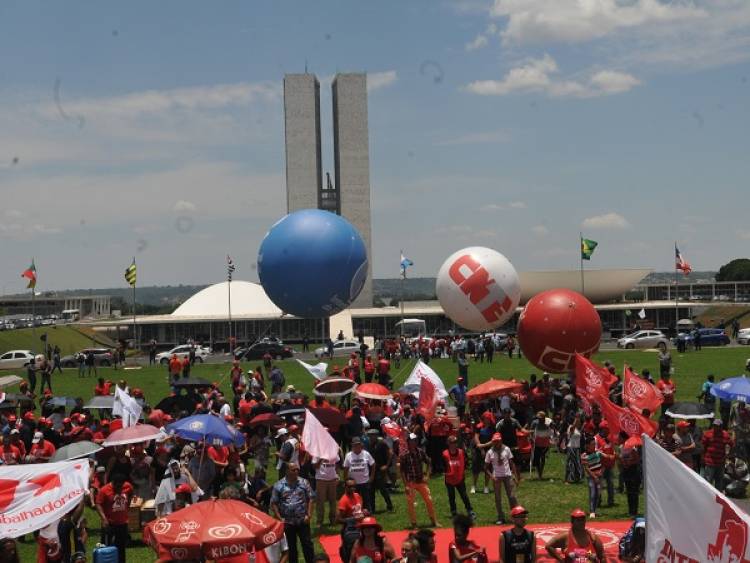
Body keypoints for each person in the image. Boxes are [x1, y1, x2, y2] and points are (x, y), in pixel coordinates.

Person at [270, 462, 315, 563]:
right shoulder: (279, 486)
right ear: (286, 471)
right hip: (288, 522)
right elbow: (273, 503)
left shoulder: (304, 482)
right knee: (291, 547)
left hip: (302, 520)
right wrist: (279, 518)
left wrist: (309, 515)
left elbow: (311, 498)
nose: (296, 471)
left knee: (307, 545)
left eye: (297, 469)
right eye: (293, 470)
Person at [399, 433, 439, 529]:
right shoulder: (404, 455)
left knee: (429, 500)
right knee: (410, 503)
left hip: (421, 481)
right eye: (411, 441)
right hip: (411, 482)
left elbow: (429, 462)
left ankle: (434, 521)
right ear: (408, 442)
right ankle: (414, 523)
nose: (413, 443)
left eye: (414, 441)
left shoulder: (421, 452)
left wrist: (427, 475)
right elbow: (402, 471)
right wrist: (406, 485)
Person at [95, 473, 133, 563]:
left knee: (121, 547)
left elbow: (131, 493)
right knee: (106, 547)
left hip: (122, 523)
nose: (120, 489)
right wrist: (104, 519)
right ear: (113, 483)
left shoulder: (127, 486)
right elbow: (98, 504)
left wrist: (128, 505)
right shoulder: (104, 490)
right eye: (118, 486)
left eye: (121, 486)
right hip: (109, 523)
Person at [485, 433, 520, 525]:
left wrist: (515, 476)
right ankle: (500, 517)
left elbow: (512, 463)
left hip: (507, 475)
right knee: (498, 498)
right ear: (493, 442)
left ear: (501, 441)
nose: (497, 443)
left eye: (498, 441)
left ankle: (515, 516)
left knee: (512, 497)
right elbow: (485, 467)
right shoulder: (490, 452)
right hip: (497, 476)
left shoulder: (507, 449)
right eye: (495, 441)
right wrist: (492, 477)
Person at [442, 436, 475, 520]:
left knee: (464, 495)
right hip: (449, 480)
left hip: (460, 478)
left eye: (455, 442)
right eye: (452, 443)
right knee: (451, 497)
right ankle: (454, 512)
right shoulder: (445, 454)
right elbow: (442, 466)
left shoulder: (461, 452)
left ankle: (470, 510)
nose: (454, 444)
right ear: (448, 443)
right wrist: (446, 473)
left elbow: (466, 462)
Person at [343, 437, 376, 514]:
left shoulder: (366, 454)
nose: (356, 447)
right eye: (354, 445)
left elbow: (373, 465)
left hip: (365, 482)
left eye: (358, 445)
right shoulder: (348, 455)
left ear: (361, 445)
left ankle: (368, 514)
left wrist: (371, 477)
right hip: (353, 484)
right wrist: (346, 481)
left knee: (366, 499)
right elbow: (345, 468)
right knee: (354, 500)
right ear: (352, 446)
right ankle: (356, 514)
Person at [702, 419, 733, 491]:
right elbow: (703, 446)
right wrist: (702, 457)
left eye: (717, 426)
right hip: (709, 461)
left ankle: (718, 497)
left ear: (721, 426)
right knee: (708, 480)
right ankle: (707, 494)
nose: (715, 427)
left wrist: (727, 455)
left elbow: (732, 444)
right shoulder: (708, 433)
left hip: (720, 462)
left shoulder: (725, 435)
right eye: (714, 425)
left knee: (719, 482)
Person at [313, 453, 340, 528]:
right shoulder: (317, 453)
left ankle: (333, 520)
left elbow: (337, 465)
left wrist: (337, 476)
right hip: (321, 480)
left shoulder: (333, 452)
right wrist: (321, 459)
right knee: (320, 502)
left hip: (332, 479)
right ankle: (319, 521)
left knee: (333, 501)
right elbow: (314, 466)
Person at [581, 437, 603, 519]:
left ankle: (595, 509)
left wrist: (601, 471)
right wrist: (594, 476)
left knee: (598, 494)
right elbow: (587, 468)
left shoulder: (597, 452)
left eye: (595, 444)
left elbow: (602, 462)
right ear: (587, 445)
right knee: (593, 493)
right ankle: (592, 511)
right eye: (592, 444)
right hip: (591, 477)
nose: (594, 445)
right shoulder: (584, 456)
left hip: (599, 476)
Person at [529, 411, 552, 480]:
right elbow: (531, 431)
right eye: (538, 418)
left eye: (541, 418)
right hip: (537, 442)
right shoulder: (534, 422)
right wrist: (531, 438)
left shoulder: (548, 422)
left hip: (545, 443)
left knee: (543, 457)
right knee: (537, 458)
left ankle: (540, 473)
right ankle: (539, 473)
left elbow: (553, 428)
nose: (539, 419)